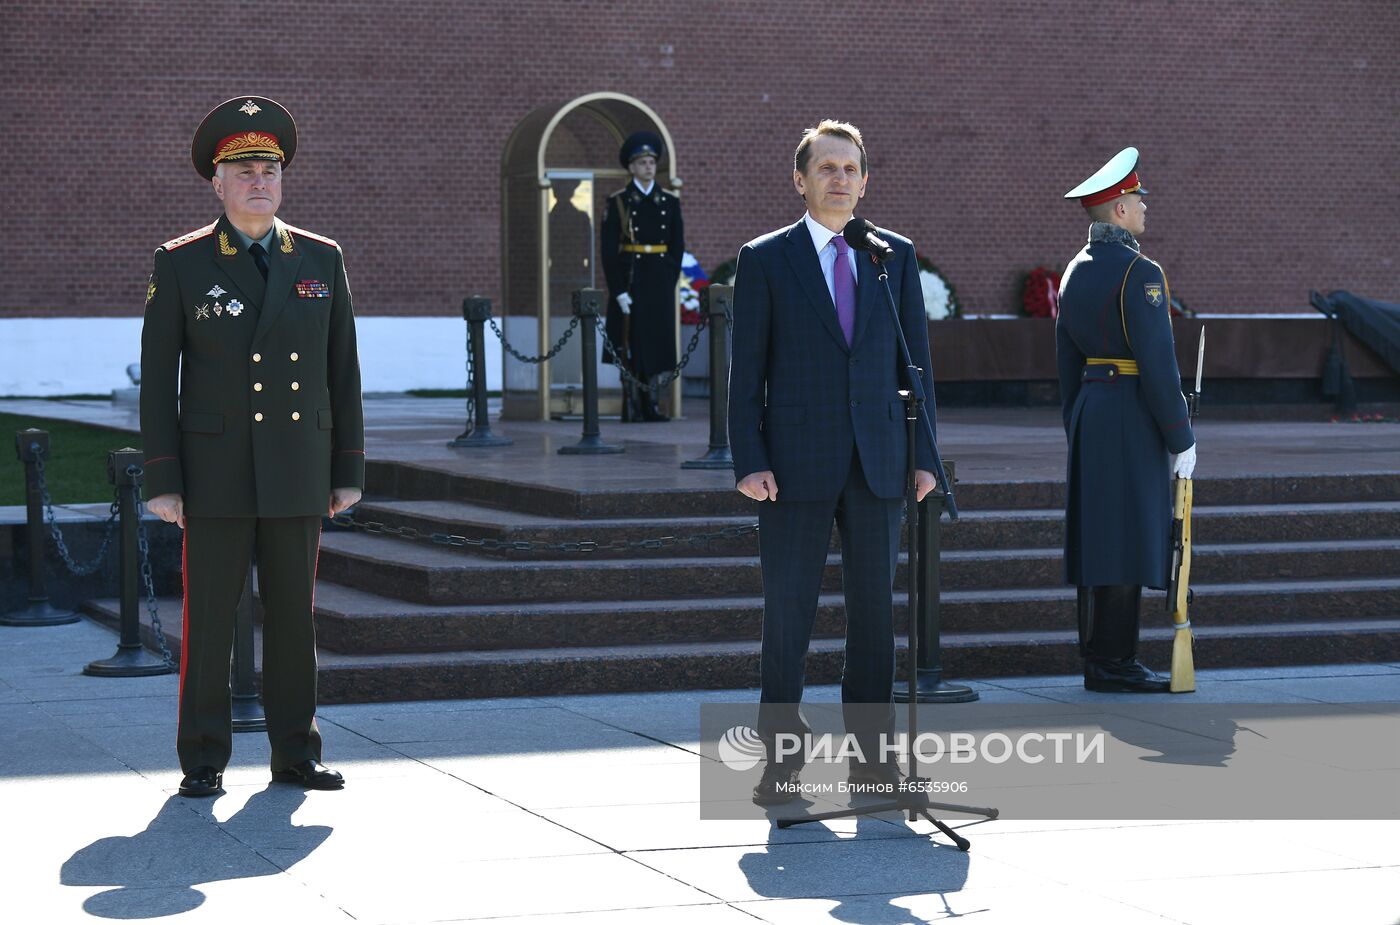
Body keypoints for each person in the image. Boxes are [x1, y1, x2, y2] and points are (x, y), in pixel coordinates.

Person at [140, 96, 365, 796]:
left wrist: (348, 467)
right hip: (216, 472)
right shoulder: (182, 263)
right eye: (243, 171)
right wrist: (162, 478)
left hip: (298, 467)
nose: (258, 181)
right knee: (210, 618)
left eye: (268, 168)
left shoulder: (321, 260)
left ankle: (296, 752)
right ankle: (203, 757)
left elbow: (343, 371)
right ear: (217, 182)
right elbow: (157, 380)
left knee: (294, 620)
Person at [728, 120, 939, 804]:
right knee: (788, 617)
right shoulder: (765, 258)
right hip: (792, 464)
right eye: (826, 167)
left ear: (865, 179)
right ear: (801, 178)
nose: (840, 178)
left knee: (875, 619)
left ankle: (873, 764)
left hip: (880, 460)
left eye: (851, 168)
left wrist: (925, 453)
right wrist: (748, 459)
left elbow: (916, 365)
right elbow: (745, 373)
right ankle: (781, 767)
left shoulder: (892, 256)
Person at [1056, 146, 1197, 693]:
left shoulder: (1075, 271)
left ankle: (1102, 658)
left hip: (1093, 409)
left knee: (1099, 536)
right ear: (1117, 208)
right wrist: (1180, 433)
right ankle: (1113, 662)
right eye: (1137, 199)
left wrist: (1077, 420)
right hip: (1131, 412)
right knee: (1126, 535)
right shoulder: (1141, 271)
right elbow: (1158, 364)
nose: (1143, 208)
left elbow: (1066, 359)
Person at [600, 131, 685, 421]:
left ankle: (652, 402)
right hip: (632, 279)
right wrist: (619, 290)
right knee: (632, 344)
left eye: (651, 161)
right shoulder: (620, 202)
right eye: (642, 162)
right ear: (631, 168)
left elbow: (677, 244)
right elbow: (609, 251)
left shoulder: (669, 202)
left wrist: (669, 276)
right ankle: (633, 402)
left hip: (658, 279)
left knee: (657, 343)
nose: (649, 167)